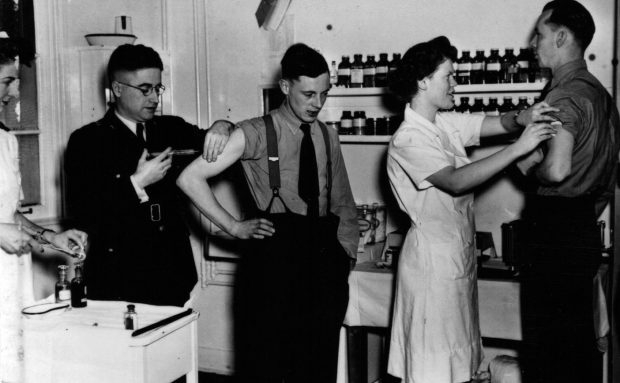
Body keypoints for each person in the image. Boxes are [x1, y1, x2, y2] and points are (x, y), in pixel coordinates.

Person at [177, 43, 358, 382]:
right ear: (286, 87)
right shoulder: (255, 132)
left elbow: (342, 201)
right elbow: (190, 178)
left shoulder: (327, 135)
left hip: (322, 262)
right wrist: (233, 226)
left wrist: (344, 254)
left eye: (324, 94)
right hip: (274, 262)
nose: (317, 104)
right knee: (270, 363)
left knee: (318, 364)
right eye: (308, 94)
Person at [385, 36, 557, 383]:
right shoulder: (408, 138)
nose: (455, 83)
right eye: (448, 76)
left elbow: (489, 124)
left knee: (459, 366)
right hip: (431, 269)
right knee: (432, 369)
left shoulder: (441, 124)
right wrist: (519, 148)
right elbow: (455, 181)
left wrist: (524, 117)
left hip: (455, 261)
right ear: (423, 81)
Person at [515, 1, 620, 381]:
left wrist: (528, 166)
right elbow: (606, 181)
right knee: (577, 352)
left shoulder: (564, 95)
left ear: (561, 37)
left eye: (539, 35)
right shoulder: (602, 98)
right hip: (582, 230)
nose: (533, 44)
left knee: (548, 356)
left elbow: (557, 169)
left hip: (555, 234)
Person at [65, 44, 211, 307]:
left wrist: (223, 126)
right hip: (120, 280)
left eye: (158, 88)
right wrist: (137, 183)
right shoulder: (87, 140)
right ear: (118, 89)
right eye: (145, 89)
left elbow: (214, 139)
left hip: (172, 275)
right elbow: (83, 212)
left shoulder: (171, 128)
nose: (155, 98)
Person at [0, 34, 87, 383]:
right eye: (6, 81)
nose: (15, 93)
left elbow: (9, 213)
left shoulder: (5, 140)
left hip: (8, 276)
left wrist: (51, 237)